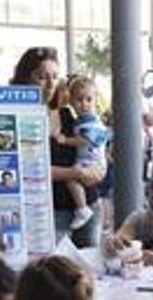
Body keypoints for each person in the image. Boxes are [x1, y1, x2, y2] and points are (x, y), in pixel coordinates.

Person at [12, 47, 104, 247]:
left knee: (87, 270)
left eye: (55, 76)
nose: (50, 84)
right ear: (26, 79)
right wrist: (74, 173)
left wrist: (99, 170)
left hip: (89, 204)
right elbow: (26, 168)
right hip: (49, 212)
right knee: (52, 273)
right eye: (42, 77)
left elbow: (90, 147)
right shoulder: (19, 120)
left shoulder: (66, 114)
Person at [53, 76, 109, 230]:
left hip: (90, 174)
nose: (84, 104)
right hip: (56, 208)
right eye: (79, 100)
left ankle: (82, 208)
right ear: (71, 100)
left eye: (88, 99)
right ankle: (82, 208)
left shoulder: (84, 120)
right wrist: (73, 173)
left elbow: (87, 140)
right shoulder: (79, 119)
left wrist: (65, 140)